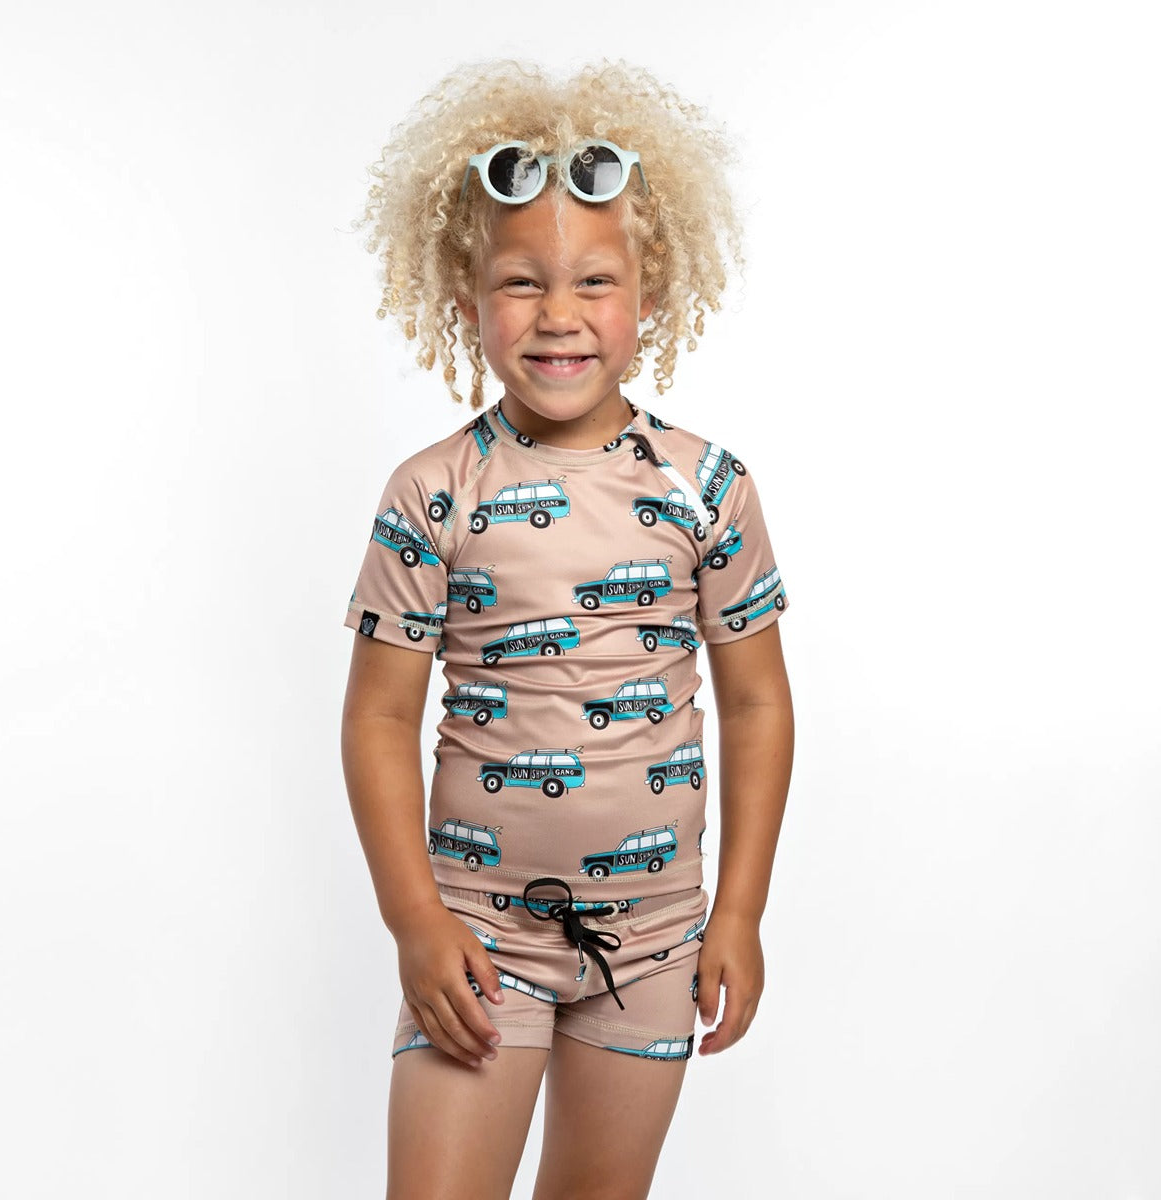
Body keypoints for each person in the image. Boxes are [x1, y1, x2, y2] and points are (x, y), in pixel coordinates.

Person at [340, 60, 795, 1200]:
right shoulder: (434, 492)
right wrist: (413, 920)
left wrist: (740, 910)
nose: (558, 315)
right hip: (478, 934)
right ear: (465, 299)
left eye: (595, 280)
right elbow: (379, 717)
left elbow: (756, 702)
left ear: (653, 295)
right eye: (521, 281)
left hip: (656, 937)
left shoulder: (708, 488)